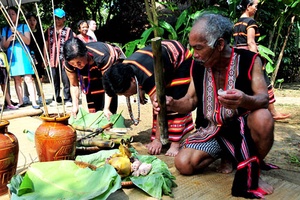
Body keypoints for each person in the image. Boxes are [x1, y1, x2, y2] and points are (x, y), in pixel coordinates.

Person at [153, 13, 274, 198]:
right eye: (192, 48)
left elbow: (263, 99)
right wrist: (172, 103)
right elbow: (191, 101)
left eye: (199, 48)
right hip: (212, 131)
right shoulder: (197, 65)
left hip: (243, 132)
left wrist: (244, 100)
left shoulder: (250, 60)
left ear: (219, 44)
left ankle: (252, 167)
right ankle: (228, 154)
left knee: (263, 118)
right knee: (183, 164)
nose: (195, 54)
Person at [103, 40, 195, 157]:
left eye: (126, 93)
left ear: (132, 80)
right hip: (159, 61)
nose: (127, 96)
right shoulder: (126, 69)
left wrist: (157, 140)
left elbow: (160, 108)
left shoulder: (148, 78)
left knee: (172, 102)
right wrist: (140, 88)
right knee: (161, 99)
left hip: (179, 58)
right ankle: (163, 136)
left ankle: (176, 143)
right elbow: (139, 75)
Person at [233, 0, 291, 120]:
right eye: (255, 6)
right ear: (248, 7)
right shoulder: (250, 22)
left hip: (238, 57)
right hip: (249, 56)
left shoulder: (237, 23)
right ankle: (273, 112)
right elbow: (251, 42)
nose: (256, 9)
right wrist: (257, 62)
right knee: (265, 83)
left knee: (244, 85)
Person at [63, 37, 124, 118]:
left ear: (85, 54)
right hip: (89, 68)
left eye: (79, 62)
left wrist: (106, 108)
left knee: (107, 92)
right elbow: (74, 85)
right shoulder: (68, 63)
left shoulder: (102, 56)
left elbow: (109, 84)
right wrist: (75, 106)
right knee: (93, 94)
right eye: (73, 63)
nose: (77, 66)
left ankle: (110, 113)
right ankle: (97, 115)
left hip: (110, 63)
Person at [1, 6, 40, 109]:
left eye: (13, 14)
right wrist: (9, 39)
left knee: (28, 78)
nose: (10, 16)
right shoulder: (5, 29)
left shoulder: (24, 27)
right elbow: (3, 46)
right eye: (8, 14)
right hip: (12, 56)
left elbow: (28, 41)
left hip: (24, 54)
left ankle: (34, 101)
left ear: (17, 15)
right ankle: (21, 101)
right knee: (17, 79)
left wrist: (18, 33)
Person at [44, 8, 74, 107]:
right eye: (56, 18)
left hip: (64, 59)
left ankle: (67, 99)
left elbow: (71, 44)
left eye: (59, 18)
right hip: (53, 59)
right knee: (54, 79)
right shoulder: (49, 30)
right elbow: (46, 44)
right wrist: (45, 58)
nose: (57, 20)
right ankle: (56, 98)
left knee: (66, 79)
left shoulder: (68, 30)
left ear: (64, 19)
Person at [23, 13, 45, 105]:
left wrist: (44, 59)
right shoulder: (24, 31)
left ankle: (40, 96)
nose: (32, 22)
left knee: (38, 77)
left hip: (38, 57)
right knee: (27, 76)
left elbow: (43, 46)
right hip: (27, 55)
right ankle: (26, 96)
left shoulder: (40, 33)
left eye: (34, 20)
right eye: (30, 20)